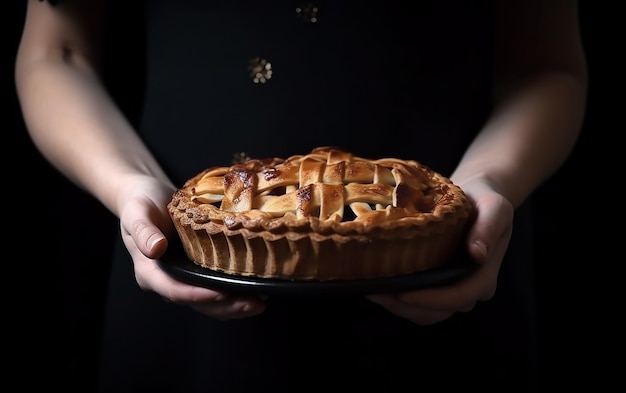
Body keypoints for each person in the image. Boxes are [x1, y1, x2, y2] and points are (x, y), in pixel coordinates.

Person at [15, 0, 587, 392]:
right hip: (185, 262)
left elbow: (544, 63)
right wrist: (129, 185)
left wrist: (489, 181)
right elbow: (56, 53)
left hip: (450, 266)